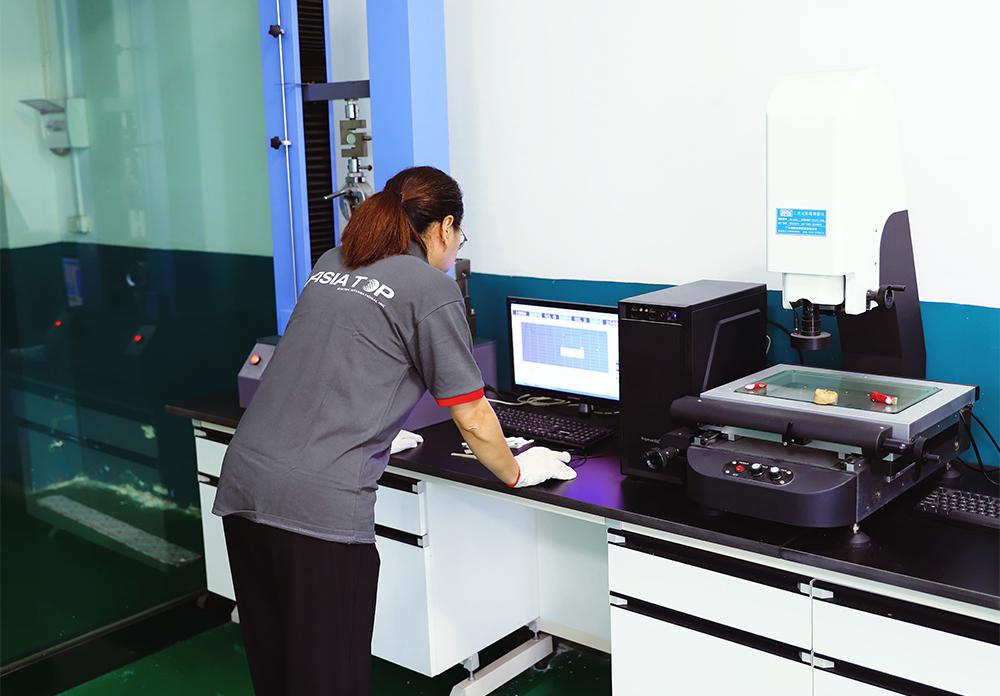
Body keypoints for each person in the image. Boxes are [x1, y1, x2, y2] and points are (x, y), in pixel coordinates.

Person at [212, 166, 577, 695]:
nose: (458, 245)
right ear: (445, 226)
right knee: (330, 680)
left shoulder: (332, 263)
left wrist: (377, 431)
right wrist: (517, 471)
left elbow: (327, 366)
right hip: (318, 509)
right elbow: (474, 417)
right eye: (461, 234)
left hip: (245, 486)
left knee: (279, 670)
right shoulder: (430, 288)